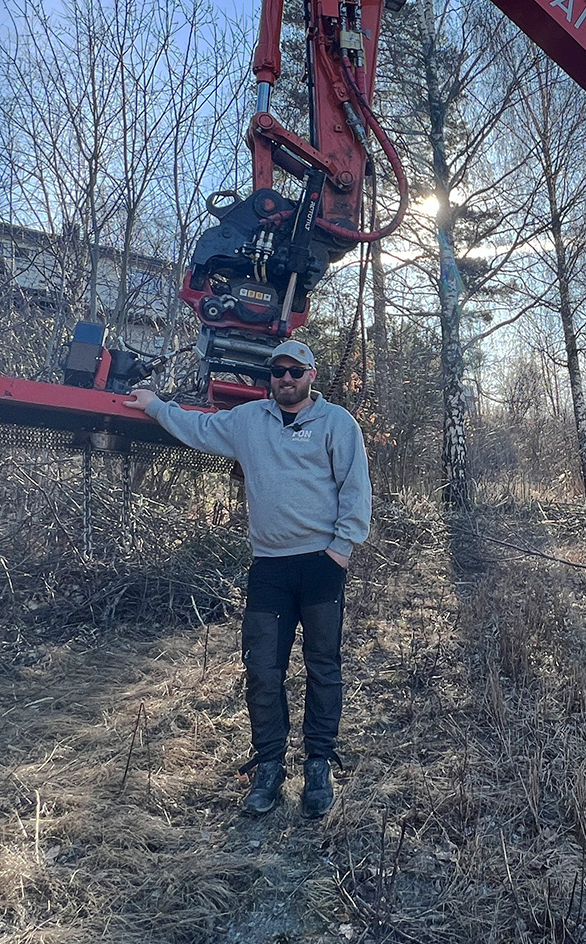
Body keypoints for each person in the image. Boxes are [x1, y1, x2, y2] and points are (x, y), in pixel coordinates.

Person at [124, 340, 371, 817]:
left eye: (295, 371)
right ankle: (270, 767)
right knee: (261, 671)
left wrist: (340, 550)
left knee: (323, 667)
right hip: (269, 568)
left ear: (311, 375)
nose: (286, 379)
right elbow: (198, 428)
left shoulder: (338, 423)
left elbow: (356, 488)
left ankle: (318, 766)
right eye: (278, 371)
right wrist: (155, 405)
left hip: (321, 566)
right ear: (270, 377)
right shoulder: (248, 421)